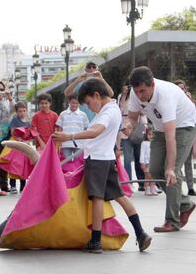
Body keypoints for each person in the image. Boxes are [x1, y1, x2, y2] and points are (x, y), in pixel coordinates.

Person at [52, 78, 152, 253]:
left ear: (97, 95)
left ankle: (96, 241)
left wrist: (69, 136)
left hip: (97, 160)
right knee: (120, 197)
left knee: (97, 198)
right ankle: (140, 233)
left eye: (89, 103)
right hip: (106, 158)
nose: (89, 107)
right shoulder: (112, 107)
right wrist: (97, 77)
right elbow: (110, 93)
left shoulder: (106, 112)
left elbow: (95, 131)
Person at [123, 66, 196, 233]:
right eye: (137, 91)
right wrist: (128, 125)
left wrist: (171, 168)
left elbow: (170, 138)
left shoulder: (166, 96)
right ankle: (186, 204)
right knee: (155, 170)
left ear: (152, 85)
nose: (140, 95)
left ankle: (172, 220)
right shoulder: (136, 92)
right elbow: (133, 117)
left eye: (143, 91)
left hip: (183, 126)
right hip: (159, 128)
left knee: (171, 173)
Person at [117, 84, 146, 190]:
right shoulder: (120, 97)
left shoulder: (137, 97)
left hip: (136, 126)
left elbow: (143, 111)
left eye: (129, 87)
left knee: (138, 156)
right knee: (127, 158)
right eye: (125, 87)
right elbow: (119, 111)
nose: (127, 89)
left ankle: (141, 182)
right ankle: (128, 181)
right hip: (124, 126)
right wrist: (124, 97)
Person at [174, 79, 196, 196]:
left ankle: (190, 187)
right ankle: (176, 187)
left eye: (182, 88)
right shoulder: (171, 101)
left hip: (187, 134)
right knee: (176, 163)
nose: (181, 90)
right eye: (178, 88)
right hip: (174, 135)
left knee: (188, 162)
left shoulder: (190, 102)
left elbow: (195, 118)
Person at [56, 94, 89, 159]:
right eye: (73, 103)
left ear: (79, 103)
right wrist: (59, 143)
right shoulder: (63, 114)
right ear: (69, 102)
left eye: (77, 103)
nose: (74, 105)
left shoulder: (83, 115)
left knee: (78, 163)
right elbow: (59, 129)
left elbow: (86, 129)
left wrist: (86, 143)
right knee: (66, 162)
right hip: (65, 144)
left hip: (79, 144)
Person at [8, 101, 31, 194]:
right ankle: (12, 185)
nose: (22, 113)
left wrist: (27, 141)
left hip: (24, 145)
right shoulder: (14, 120)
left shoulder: (28, 122)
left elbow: (30, 135)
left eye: (24, 111)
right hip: (15, 144)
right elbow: (12, 132)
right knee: (13, 165)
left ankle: (23, 186)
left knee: (24, 165)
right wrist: (18, 139)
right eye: (20, 111)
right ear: (16, 112)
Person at [139, 126, 160, 196]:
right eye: (149, 134)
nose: (151, 136)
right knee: (147, 176)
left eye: (152, 134)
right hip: (146, 163)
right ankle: (147, 189)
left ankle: (153, 189)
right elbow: (142, 153)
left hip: (153, 162)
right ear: (146, 135)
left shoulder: (155, 143)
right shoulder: (144, 143)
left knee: (153, 176)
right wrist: (142, 162)